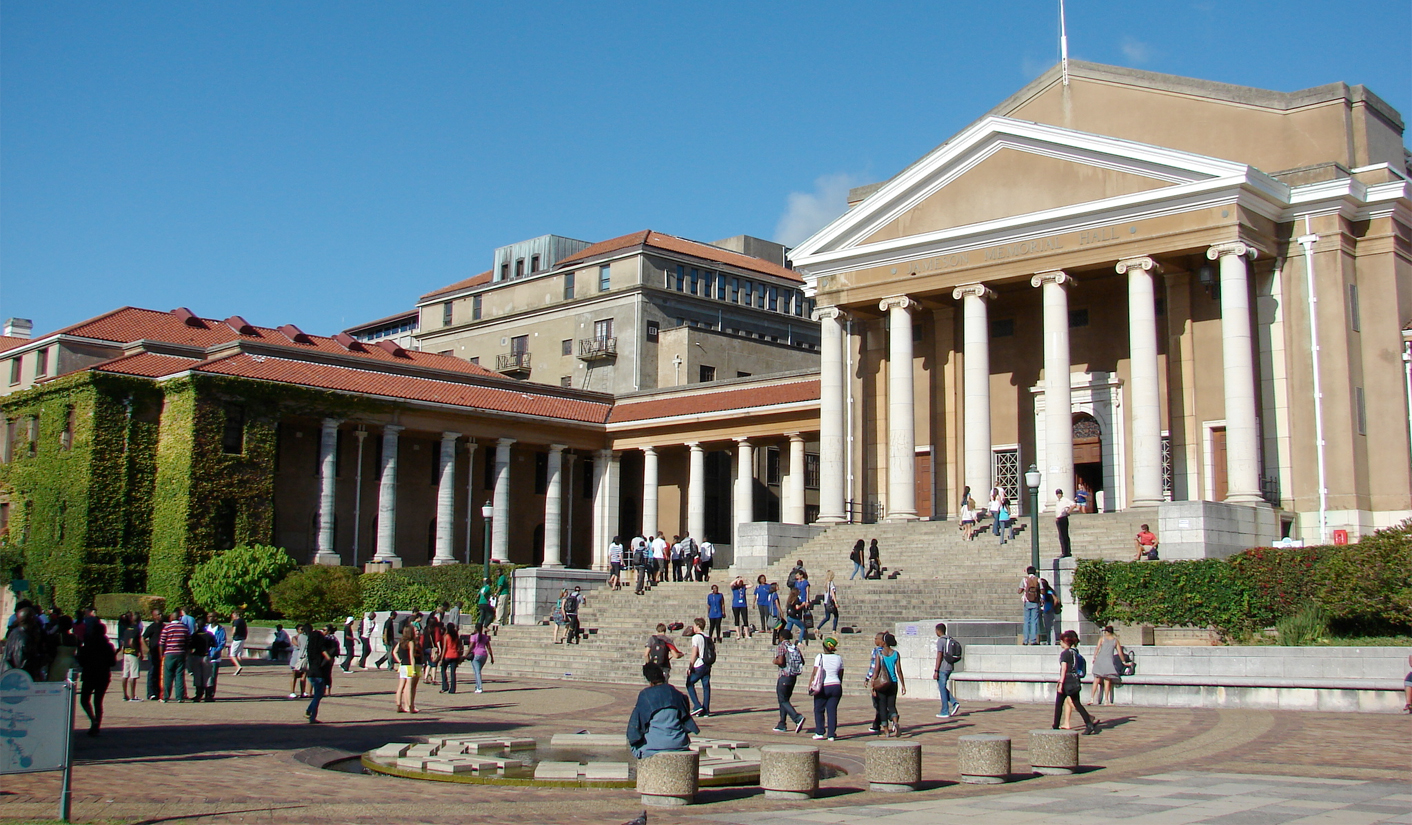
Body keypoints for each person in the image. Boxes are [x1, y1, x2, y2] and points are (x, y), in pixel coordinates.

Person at [626, 662, 699, 760]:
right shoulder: (678, 694)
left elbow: (635, 728)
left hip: (654, 746)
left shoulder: (645, 695)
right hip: (679, 743)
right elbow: (686, 723)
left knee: (635, 747)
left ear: (649, 681)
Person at [76, 622, 116, 736]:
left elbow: (81, 661)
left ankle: (93, 720)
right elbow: (112, 663)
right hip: (103, 675)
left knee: (84, 700)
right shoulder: (108, 646)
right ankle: (97, 723)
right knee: (98, 701)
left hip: (89, 674)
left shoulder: (88, 645)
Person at [1054, 630, 1098, 735]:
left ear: (1065, 642)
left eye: (1061, 641)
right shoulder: (1074, 652)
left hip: (1067, 681)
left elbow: (1064, 669)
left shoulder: (1065, 653)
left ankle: (1055, 726)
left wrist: (1061, 682)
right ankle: (1088, 723)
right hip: (1075, 680)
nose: (1060, 643)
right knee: (1077, 703)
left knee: (1059, 704)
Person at [870, 632, 906, 737]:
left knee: (882, 706)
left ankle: (886, 730)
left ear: (884, 642)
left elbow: (876, 669)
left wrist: (873, 683)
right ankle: (895, 723)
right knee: (892, 705)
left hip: (882, 683)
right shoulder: (896, 654)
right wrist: (903, 684)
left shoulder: (880, 654)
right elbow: (899, 670)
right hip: (893, 682)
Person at [809, 636, 844, 741]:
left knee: (819, 709)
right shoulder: (839, 658)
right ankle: (831, 734)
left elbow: (815, 672)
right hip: (836, 685)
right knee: (832, 710)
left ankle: (820, 732)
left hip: (823, 685)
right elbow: (841, 673)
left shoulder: (819, 657)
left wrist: (810, 684)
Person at [771, 629, 807, 733]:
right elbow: (802, 661)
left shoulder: (782, 646)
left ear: (781, 637)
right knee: (785, 700)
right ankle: (782, 723)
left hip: (784, 676)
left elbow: (781, 661)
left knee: (782, 700)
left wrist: (775, 661)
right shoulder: (794, 647)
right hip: (793, 677)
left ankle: (797, 718)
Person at [159, 612, 191, 702]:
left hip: (169, 653)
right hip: (181, 653)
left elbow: (162, 642)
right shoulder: (184, 628)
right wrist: (186, 653)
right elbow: (188, 642)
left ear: (171, 618)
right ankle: (180, 697)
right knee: (180, 675)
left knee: (168, 675)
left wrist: (162, 655)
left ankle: (165, 696)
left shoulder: (167, 628)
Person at [684, 618, 713, 718]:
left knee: (689, 683)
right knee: (706, 686)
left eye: (694, 625)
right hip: (707, 664)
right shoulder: (707, 636)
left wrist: (690, 666)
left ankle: (697, 705)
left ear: (698, 626)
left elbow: (694, 653)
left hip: (699, 664)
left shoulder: (696, 637)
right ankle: (706, 710)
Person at [932, 622, 962, 718]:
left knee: (942, 688)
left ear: (938, 631)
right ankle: (954, 703)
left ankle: (945, 710)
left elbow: (939, 655)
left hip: (943, 668)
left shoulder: (941, 641)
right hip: (950, 666)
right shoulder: (949, 639)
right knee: (942, 687)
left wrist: (936, 670)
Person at [1090, 625, 1125, 705]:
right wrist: (1123, 661)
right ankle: (1106, 700)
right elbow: (1120, 653)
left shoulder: (1102, 639)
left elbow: (1097, 648)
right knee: (1107, 680)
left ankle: (1092, 698)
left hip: (1100, 660)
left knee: (1096, 679)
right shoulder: (1115, 641)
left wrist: (1094, 657)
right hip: (1108, 661)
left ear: (1106, 631)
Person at [306, 628, 334, 723]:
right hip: (318, 673)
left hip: (311, 672)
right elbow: (328, 657)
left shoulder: (310, 648)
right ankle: (311, 715)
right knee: (318, 695)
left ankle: (309, 711)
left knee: (317, 694)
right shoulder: (321, 648)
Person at [393, 624, 421, 713]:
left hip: (403, 665)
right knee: (409, 687)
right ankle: (410, 706)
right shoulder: (410, 642)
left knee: (401, 686)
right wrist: (413, 670)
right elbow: (411, 657)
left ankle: (399, 704)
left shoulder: (401, 642)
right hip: (409, 665)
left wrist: (399, 661)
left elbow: (394, 652)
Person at [188, 617, 214, 701]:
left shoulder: (195, 635)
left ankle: (198, 694)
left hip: (196, 656)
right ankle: (208, 695)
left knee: (198, 676)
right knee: (207, 676)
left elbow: (190, 646)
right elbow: (214, 644)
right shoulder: (209, 635)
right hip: (206, 655)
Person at [118, 612, 143, 701]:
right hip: (132, 653)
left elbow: (123, 642)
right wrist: (137, 651)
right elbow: (132, 642)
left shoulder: (127, 629)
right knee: (133, 675)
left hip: (126, 652)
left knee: (125, 674)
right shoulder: (136, 629)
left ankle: (125, 695)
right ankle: (133, 696)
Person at [141, 608, 165, 700]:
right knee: (152, 672)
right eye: (158, 614)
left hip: (162, 653)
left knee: (160, 673)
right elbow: (143, 638)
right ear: (154, 616)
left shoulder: (164, 627)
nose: (160, 616)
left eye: (161, 614)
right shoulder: (152, 627)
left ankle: (159, 692)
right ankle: (151, 693)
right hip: (153, 653)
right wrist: (147, 649)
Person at [203, 617, 227, 701]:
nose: (208, 618)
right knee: (204, 676)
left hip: (214, 657)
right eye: (208, 616)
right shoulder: (205, 628)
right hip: (205, 655)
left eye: (210, 616)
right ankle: (204, 693)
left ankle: (210, 695)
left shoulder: (220, 630)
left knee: (212, 676)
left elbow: (222, 642)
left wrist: (216, 652)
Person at [467, 621, 493, 693]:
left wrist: (465, 654)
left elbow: (471, 646)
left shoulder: (474, 636)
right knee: (478, 671)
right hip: (484, 654)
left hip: (476, 654)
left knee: (477, 672)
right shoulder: (485, 637)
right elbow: (489, 647)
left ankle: (479, 687)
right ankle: (477, 685)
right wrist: (492, 657)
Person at [1019, 566, 1042, 645]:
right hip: (1035, 602)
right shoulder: (1038, 580)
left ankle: (1025, 640)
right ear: (1035, 572)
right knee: (1034, 621)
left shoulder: (1024, 580)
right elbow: (1042, 591)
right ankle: (1033, 640)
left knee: (1026, 621)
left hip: (1027, 601)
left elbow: (1019, 590)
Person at [287, 624, 310, 698]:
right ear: (297, 630)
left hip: (303, 657)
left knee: (304, 675)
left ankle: (303, 691)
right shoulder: (295, 638)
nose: (302, 631)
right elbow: (298, 645)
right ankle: (292, 691)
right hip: (296, 657)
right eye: (301, 629)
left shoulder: (305, 637)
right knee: (294, 675)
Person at [1054, 488, 1076, 557]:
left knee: (1064, 535)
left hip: (1063, 518)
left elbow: (1073, 504)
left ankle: (1067, 551)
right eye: (1057, 494)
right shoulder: (1057, 501)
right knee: (1061, 536)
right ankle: (1063, 551)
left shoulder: (1065, 500)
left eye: (1059, 494)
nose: (1058, 495)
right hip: (1059, 519)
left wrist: (1068, 512)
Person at [729, 576, 750, 640]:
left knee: (745, 619)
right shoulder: (734, 588)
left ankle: (746, 634)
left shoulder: (743, 587)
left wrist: (746, 579)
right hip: (735, 605)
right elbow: (731, 584)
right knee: (737, 619)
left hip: (743, 605)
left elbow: (751, 585)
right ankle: (738, 634)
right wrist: (736, 580)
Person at [1039, 579, 1058, 645]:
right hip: (1045, 611)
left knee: (1050, 628)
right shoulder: (1044, 592)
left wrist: (1052, 608)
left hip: (1049, 611)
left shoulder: (1049, 591)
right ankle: (1049, 641)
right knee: (1047, 628)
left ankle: (1052, 642)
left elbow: (1056, 600)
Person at [228, 611, 247, 675]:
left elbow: (234, 630)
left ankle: (238, 666)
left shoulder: (236, 622)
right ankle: (238, 669)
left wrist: (232, 635)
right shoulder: (243, 621)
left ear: (235, 615)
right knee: (239, 655)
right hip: (242, 639)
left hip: (237, 639)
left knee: (232, 655)